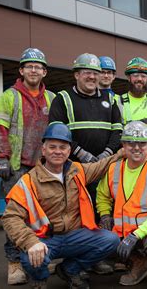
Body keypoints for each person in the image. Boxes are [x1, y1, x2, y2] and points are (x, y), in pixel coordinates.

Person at [1, 123, 121, 289]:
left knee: (111, 240)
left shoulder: (77, 170)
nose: (58, 151)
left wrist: (123, 152)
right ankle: (40, 278)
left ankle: (69, 270)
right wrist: (30, 242)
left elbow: (102, 165)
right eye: (52, 147)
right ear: (43, 150)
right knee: (31, 258)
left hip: (75, 236)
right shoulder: (29, 181)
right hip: (45, 240)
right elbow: (10, 217)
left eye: (63, 147)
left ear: (69, 151)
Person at [48, 52, 123, 275]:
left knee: (101, 211)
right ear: (77, 74)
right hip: (73, 168)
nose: (92, 77)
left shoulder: (111, 99)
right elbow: (57, 132)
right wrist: (84, 155)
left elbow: (118, 129)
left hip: (104, 166)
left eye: (95, 73)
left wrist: (107, 153)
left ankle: (95, 257)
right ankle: (74, 260)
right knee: (75, 213)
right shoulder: (62, 98)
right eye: (87, 72)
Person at [0, 47, 55, 285]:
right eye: (29, 66)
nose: (34, 70)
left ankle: (42, 256)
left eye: (38, 66)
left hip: (43, 168)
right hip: (16, 167)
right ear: (21, 70)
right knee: (16, 217)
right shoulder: (10, 96)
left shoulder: (52, 99)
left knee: (45, 214)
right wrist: (2, 157)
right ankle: (15, 262)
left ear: (45, 71)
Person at [96, 121, 147, 288]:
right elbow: (102, 195)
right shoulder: (114, 168)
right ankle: (140, 261)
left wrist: (134, 236)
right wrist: (105, 214)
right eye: (131, 143)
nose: (136, 148)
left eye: (142, 143)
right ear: (123, 145)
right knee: (99, 238)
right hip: (129, 227)